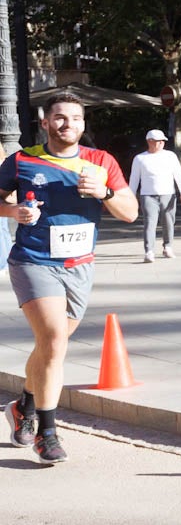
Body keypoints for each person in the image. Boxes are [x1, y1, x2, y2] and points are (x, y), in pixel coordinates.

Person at [1, 93, 138, 464]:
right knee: (54, 340)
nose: (68, 125)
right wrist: (13, 210)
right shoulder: (23, 160)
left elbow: (130, 213)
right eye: (60, 118)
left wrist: (105, 192)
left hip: (79, 265)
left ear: (83, 124)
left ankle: (23, 405)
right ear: (45, 123)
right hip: (33, 261)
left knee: (50, 347)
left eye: (75, 119)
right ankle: (47, 432)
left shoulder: (100, 161)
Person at [128, 128, 181, 262]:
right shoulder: (140, 158)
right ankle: (149, 251)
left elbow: (178, 174)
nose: (161, 144)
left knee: (168, 222)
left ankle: (168, 246)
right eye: (158, 141)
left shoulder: (170, 156)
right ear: (149, 141)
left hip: (168, 194)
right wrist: (131, 197)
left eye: (162, 141)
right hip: (148, 195)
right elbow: (134, 179)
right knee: (150, 223)